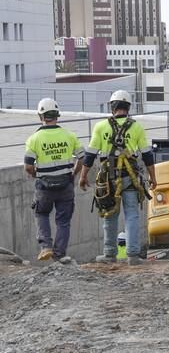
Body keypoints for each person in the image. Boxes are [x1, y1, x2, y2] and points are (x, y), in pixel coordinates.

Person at [79, 90, 157, 266]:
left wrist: (83, 177)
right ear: (128, 107)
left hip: (108, 179)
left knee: (109, 214)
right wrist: (153, 177)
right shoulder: (136, 127)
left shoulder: (100, 127)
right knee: (132, 215)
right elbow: (147, 155)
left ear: (112, 106)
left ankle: (109, 254)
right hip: (130, 177)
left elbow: (89, 156)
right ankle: (133, 256)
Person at [24, 98, 84, 261]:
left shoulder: (34, 139)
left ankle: (46, 247)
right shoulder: (69, 136)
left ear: (40, 116)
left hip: (44, 186)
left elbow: (28, 167)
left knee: (41, 214)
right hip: (66, 184)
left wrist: (38, 174)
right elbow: (83, 158)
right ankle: (59, 255)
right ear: (57, 115)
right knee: (63, 222)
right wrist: (74, 174)